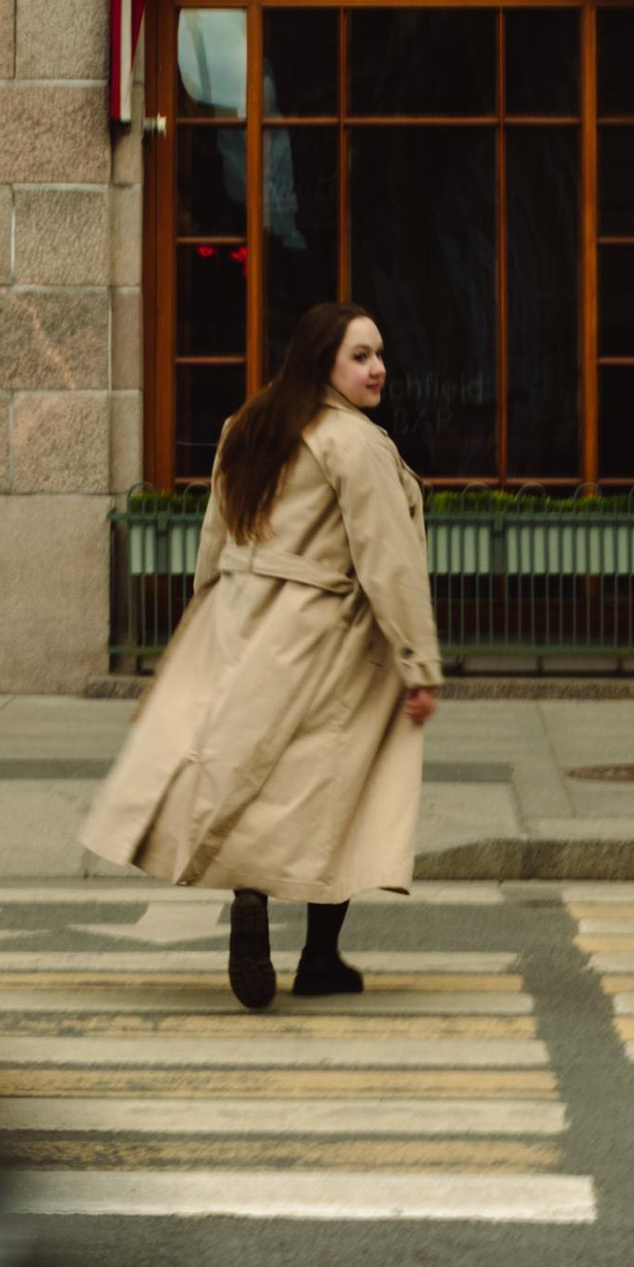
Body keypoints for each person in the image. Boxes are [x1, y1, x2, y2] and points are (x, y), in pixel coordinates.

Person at [82, 303, 441, 1011]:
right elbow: (388, 560)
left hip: (243, 621)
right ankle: (319, 956)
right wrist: (419, 662)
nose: (378, 369)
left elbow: (215, 535)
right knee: (336, 788)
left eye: (378, 354)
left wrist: (205, 618)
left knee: (252, 773)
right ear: (322, 362)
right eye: (361, 356)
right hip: (328, 631)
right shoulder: (354, 442)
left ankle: (252, 894)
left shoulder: (246, 426)